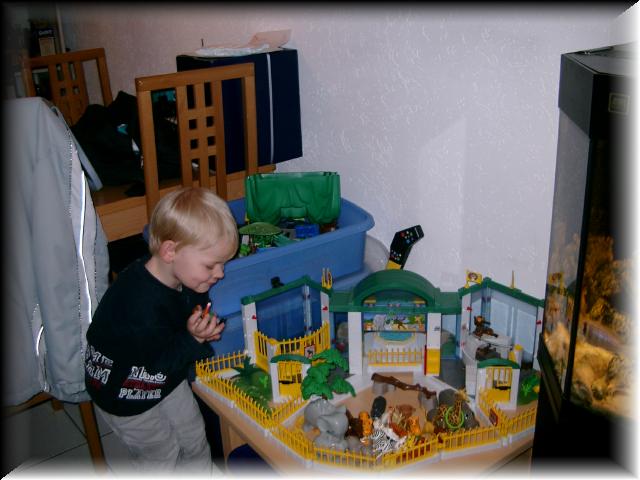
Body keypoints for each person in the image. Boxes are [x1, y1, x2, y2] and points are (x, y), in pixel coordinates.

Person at [84, 187, 238, 474]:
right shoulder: (139, 305)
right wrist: (193, 339)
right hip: (122, 390)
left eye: (222, 264)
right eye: (211, 265)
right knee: (161, 453)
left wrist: (198, 329)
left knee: (193, 434)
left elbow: (186, 314)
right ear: (170, 251)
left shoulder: (184, 277)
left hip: (160, 371)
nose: (220, 274)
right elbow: (158, 363)